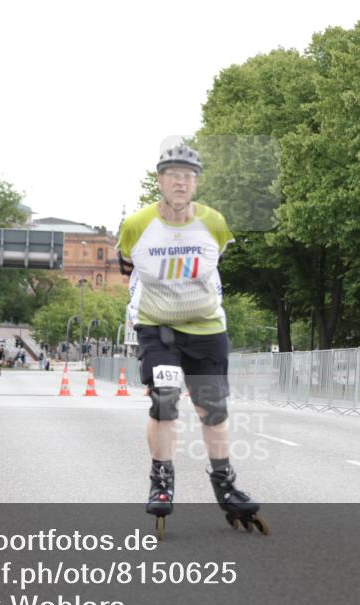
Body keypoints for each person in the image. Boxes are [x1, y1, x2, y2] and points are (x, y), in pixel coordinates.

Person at [116, 142, 265, 537]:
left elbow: (215, 266)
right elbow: (127, 268)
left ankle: (226, 486)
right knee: (164, 398)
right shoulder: (136, 226)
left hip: (206, 328)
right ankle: (161, 481)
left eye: (188, 176)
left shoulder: (214, 223)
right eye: (173, 175)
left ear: (196, 183)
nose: (180, 182)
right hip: (157, 327)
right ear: (160, 180)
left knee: (212, 410)